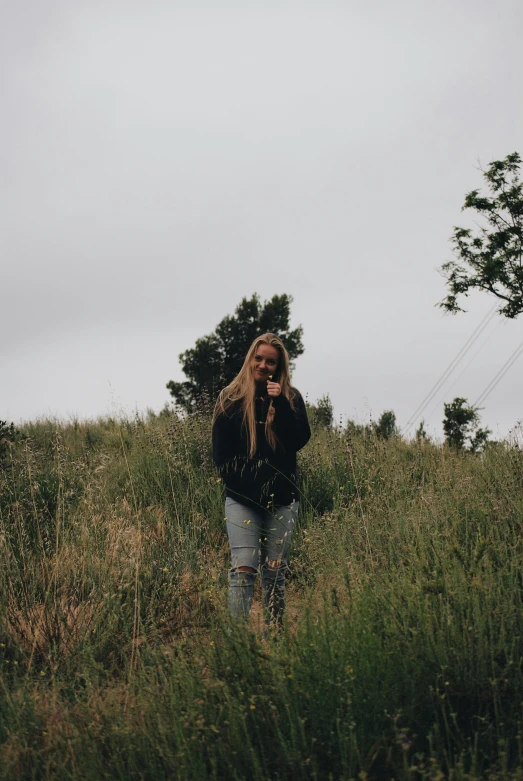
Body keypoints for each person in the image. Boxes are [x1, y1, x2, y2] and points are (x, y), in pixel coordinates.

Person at [212, 333, 311, 631]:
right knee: (243, 571)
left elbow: (297, 440)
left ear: (279, 365)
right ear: (250, 359)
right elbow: (222, 459)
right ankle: (237, 646)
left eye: (270, 361)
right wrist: (253, 490)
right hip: (242, 500)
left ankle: (276, 638)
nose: (263, 365)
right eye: (259, 358)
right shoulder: (229, 398)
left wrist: (278, 404)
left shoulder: (291, 398)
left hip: (282, 501)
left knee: (275, 572)